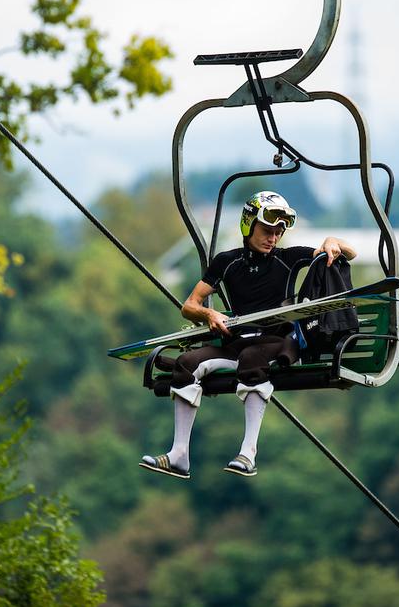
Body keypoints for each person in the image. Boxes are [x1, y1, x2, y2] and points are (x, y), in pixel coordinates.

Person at [139, 190, 356, 479]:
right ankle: (179, 455)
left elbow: (348, 253)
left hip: (276, 341)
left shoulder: (288, 259)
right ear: (248, 225)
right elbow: (190, 305)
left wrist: (332, 242)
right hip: (236, 343)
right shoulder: (226, 263)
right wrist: (210, 314)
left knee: (253, 359)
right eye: (267, 230)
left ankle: (248, 454)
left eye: (278, 232)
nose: (273, 238)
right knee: (186, 363)